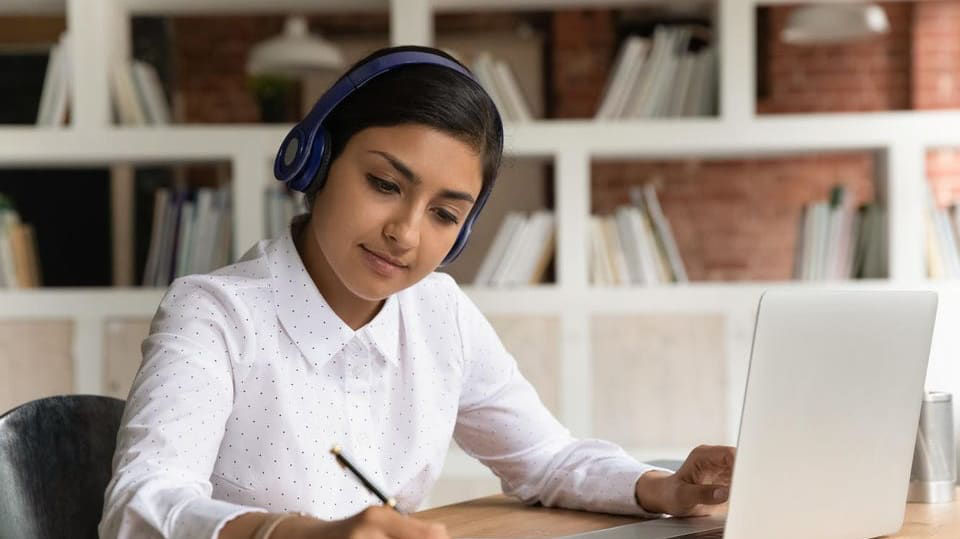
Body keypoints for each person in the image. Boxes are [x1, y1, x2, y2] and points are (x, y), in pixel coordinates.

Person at [99, 46, 735, 539]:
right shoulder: (215, 314)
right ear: (316, 161)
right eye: (383, 183)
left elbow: (546, 460)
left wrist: (663, 489)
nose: (405, 233)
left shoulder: (440, 314)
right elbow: (137, 506)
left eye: (444, 214)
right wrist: (294, 533)